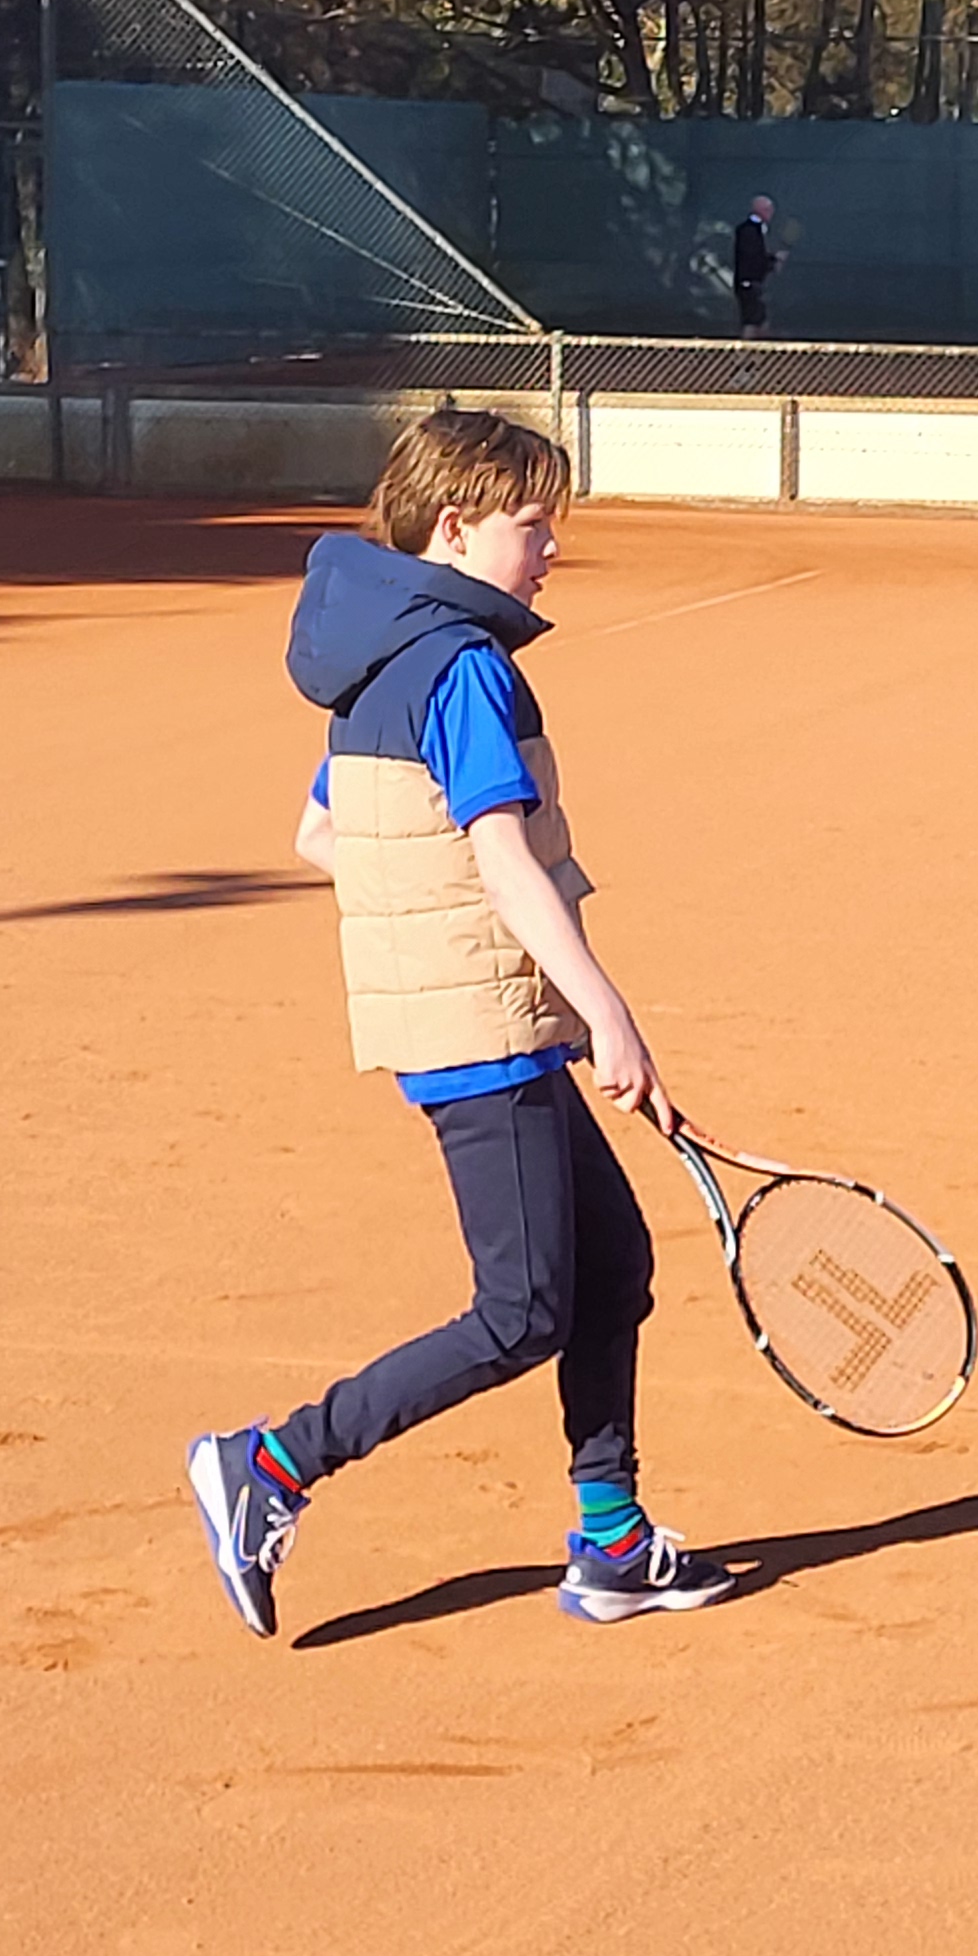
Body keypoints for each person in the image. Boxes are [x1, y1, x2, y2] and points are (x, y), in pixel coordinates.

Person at [185, 406, 732, 1641]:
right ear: (454, 525)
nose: (549, 550)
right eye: (532, 525)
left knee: (613, 1272)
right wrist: (613, 1019)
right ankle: (271, 1464)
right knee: (524, 1309)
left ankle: (612, 1542)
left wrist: (449, 948)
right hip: (485, 1036)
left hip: (475, 1017)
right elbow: (500, 858)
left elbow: (326, 835)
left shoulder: (380, 655)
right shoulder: (468, 666)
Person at [732, 195, 777, 335]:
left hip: (756, 283)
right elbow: (752, 257)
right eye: (768, 209)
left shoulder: (762, 230)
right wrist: (771, 262)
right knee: (752, 321)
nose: (771, 213)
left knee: (761, 321)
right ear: (760, 210)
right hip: (749, 283)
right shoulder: (748, 231)